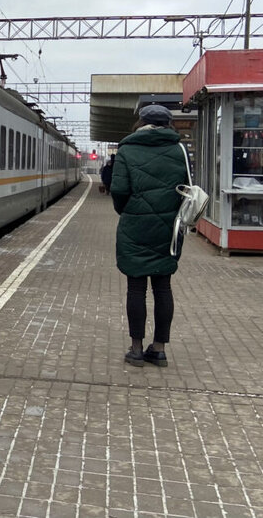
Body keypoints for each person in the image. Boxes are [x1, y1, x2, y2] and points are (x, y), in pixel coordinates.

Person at [110, 104, 189, 367]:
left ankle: (135, 349)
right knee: (163, 287)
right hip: (168, 227)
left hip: (135, 227)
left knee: (136, 288)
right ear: (168, 123)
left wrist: (129, 211)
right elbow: (187, 188)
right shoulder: (179, 149)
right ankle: (159, 349)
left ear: (140, 122)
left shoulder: (127, 149)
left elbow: (119, 190)